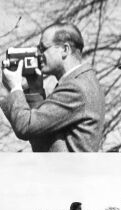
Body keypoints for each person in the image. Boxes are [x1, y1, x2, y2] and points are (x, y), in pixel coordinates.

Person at [1, 22, 105, 151]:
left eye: (43, 48)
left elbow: (25, 127)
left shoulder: (76, 88)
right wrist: (35, 91)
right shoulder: (82, 82)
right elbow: (39, 131)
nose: (37, 54)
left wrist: (15, 88)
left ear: (65, 50)